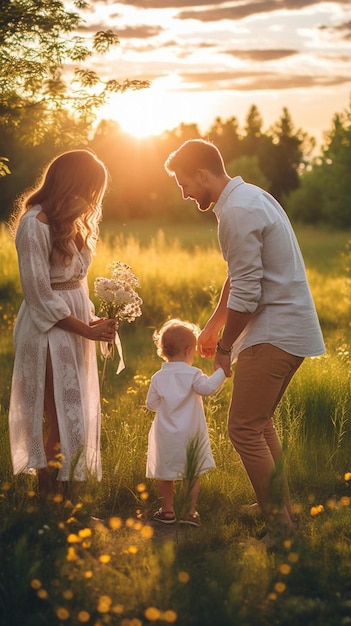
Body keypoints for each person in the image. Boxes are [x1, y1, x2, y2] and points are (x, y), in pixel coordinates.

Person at [164, 139, 325, 545]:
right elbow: (239, 276)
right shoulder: (251, 197)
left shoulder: (236, 210)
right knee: (259, 423)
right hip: (287, 329)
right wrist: (215, 325)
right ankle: (277, 507)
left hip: (273, 333)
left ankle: (281, 528)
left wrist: (223, 348)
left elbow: (249, 294)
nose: (183, 193)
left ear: (202, 174)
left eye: (184, 184)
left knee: (243, 429)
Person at [8, 149, 116, 503]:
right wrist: (84, 329)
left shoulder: (77, 222)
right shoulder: (34, 224)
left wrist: (91, 318)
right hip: (48, 328)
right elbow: (39, 291)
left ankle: (70, 499)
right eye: (88, 188)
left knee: (78, 411)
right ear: (71, 183)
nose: (91, 198)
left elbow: (75, 282)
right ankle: (50, 500)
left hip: (75, 319)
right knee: (58, 411)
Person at [145, 318, 226, 526]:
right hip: (190, 433)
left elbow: (151, 404)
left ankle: (167, 511)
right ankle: (190, 513)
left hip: (165, 434)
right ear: (190, 349)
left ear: (163, 350)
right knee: (191, 473)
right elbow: (208, 389)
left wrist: (167, 407)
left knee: (166, 473)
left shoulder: (157, 377)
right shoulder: (193, 374)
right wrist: (222, 372)